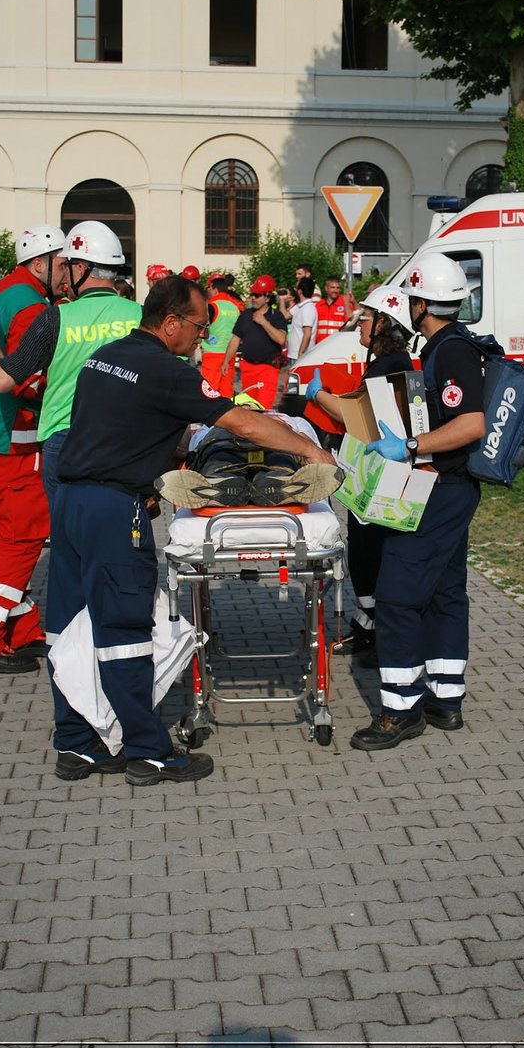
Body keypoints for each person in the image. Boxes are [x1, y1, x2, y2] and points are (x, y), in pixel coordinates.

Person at [46, 274, 337, 786]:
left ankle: (76, 742)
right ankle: (147, 750)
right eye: (200, 327)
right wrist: (309, 448)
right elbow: (243, 424)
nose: (203, 336)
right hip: (114, 510)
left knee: (70, 628)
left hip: (70, 503)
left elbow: (122, 424)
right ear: (172, 322)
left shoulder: (104, 357)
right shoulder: (167, 370)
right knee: (124, 632)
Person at [346, 253, 486, 751]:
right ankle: (445, 700)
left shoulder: (450, 350)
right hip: (456, 487)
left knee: (398, 597)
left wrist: (408, 447)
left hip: (443, 490)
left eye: (410, 298)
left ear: (423, 302)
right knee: (446, 593)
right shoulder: (448, 344)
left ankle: (401, 709)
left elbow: (472, 423)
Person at [0, 224, 67, 674]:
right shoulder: (31, 306)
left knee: (5, 537)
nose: (69, 274)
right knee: (23, 539)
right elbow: (23, 378)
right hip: (10, 440)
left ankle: (20, 628)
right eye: (63, 265)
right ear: (39, 264)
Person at [0, 221, 142, 508]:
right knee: (121, 531)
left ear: (82, 268)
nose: (65, 273)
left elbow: (1, 380)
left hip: (66, 440)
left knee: (67, 539)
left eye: (69, 265)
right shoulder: (140, 316)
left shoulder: (56, 318)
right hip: (126, 440)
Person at [305, 283, 414, 653]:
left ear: (383, 324)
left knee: (368, 551)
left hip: (379, 478)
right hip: (379, 472)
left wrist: (319, 396)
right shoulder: (391, 363)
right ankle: (368, 624)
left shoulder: (388, 365)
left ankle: (374, 630)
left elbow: (358, 417)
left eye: (366, 318)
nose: (361, 325)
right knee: (366, 551)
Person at [159, 392, 342, 507]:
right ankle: (282, 480)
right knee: (282, 462)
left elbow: (189, 450)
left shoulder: (211, 423)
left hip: (222, 447)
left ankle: (215, 482)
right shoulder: (283, 418)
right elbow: (308, 442)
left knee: (216, 463)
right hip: (276, 442)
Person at [219, 274, 287, 409]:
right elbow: (235, 338)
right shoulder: (245, 315)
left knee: (264, 408)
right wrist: (226, 360)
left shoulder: (276, 316)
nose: (253, 298)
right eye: (252, 294)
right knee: (250, 407)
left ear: (267, 297)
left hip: (268, 368)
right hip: (248, 367)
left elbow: (281, 339)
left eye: (257, 295)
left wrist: (264, 323)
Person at [200, 273, 241, 397]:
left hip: (212, 355)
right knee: (225, 395)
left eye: (209, 289)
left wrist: (208, 337)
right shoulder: (235, 307)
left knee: (208, 395)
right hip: (229, 356)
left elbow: (202, 330)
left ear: (214, 288)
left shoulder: (212, 307)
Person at [286, 277, 319, 364]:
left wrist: (301, 353)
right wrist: (282, 300)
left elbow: (307, 333)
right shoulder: (300, 306)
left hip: (300, 355)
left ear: (300, 291)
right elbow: (285, 316)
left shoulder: (308, 308)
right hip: (293, 354)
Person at [315, 274, 355, 343]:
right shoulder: (318, 305)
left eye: (338, 288)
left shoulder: (345, 304)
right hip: (320, 346)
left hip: (337, 345)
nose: (335, 290)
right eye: (332, 287)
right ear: (326, 288)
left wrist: (346, 303)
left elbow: (352, 320)